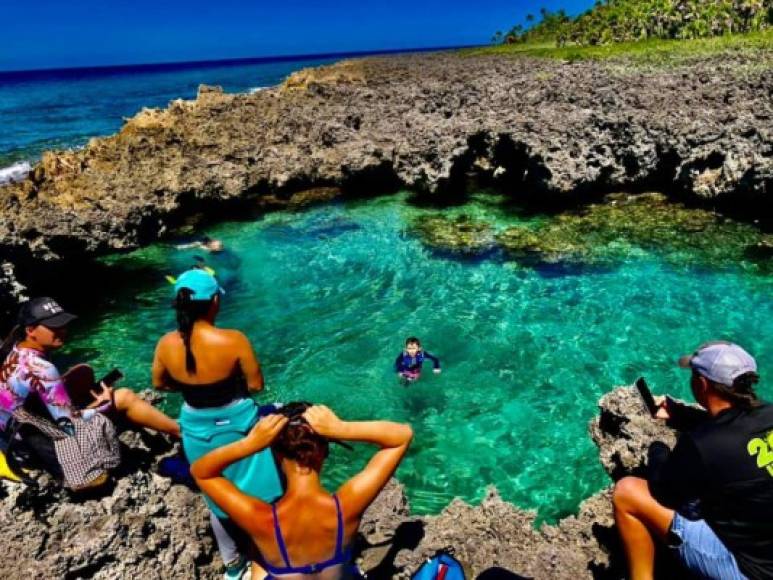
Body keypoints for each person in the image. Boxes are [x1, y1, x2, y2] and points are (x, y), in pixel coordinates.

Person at [152, 268, 281, 579]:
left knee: (217, 499)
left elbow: (159, 384)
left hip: (196, 427)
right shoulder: (233, 339)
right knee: (265, 496)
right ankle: (266, 558)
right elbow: (257, 385)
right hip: (238, 423)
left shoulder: (165, 344)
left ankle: (233, 566)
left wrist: (192, 387)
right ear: (213, 303)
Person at [191, 403, 413, 579]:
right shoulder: (346, 507)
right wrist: (342, 428)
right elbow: (401, 436)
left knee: (257, 556)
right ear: (325, 450)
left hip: (277, 548)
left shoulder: (262, 519)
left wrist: (249, 444)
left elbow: (201, 471)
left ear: (276, 454)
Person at [613, 341, 773, 580]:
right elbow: (735, 428)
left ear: (702, 384)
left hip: (752, 572)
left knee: (626, 492)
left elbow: (663, 491)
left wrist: (658, 449)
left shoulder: (702, 444)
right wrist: (680, 414)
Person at [0, 297, 181, 480]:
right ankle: (181, 432)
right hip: (40, 447)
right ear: (30, 330)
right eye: (54, 327)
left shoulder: (14, 351)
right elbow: (69, 425)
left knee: (82, 375)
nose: (62, 330)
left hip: (14, 438)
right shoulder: (42, 368)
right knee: (124, 397)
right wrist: (105, 403)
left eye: (63, 324)